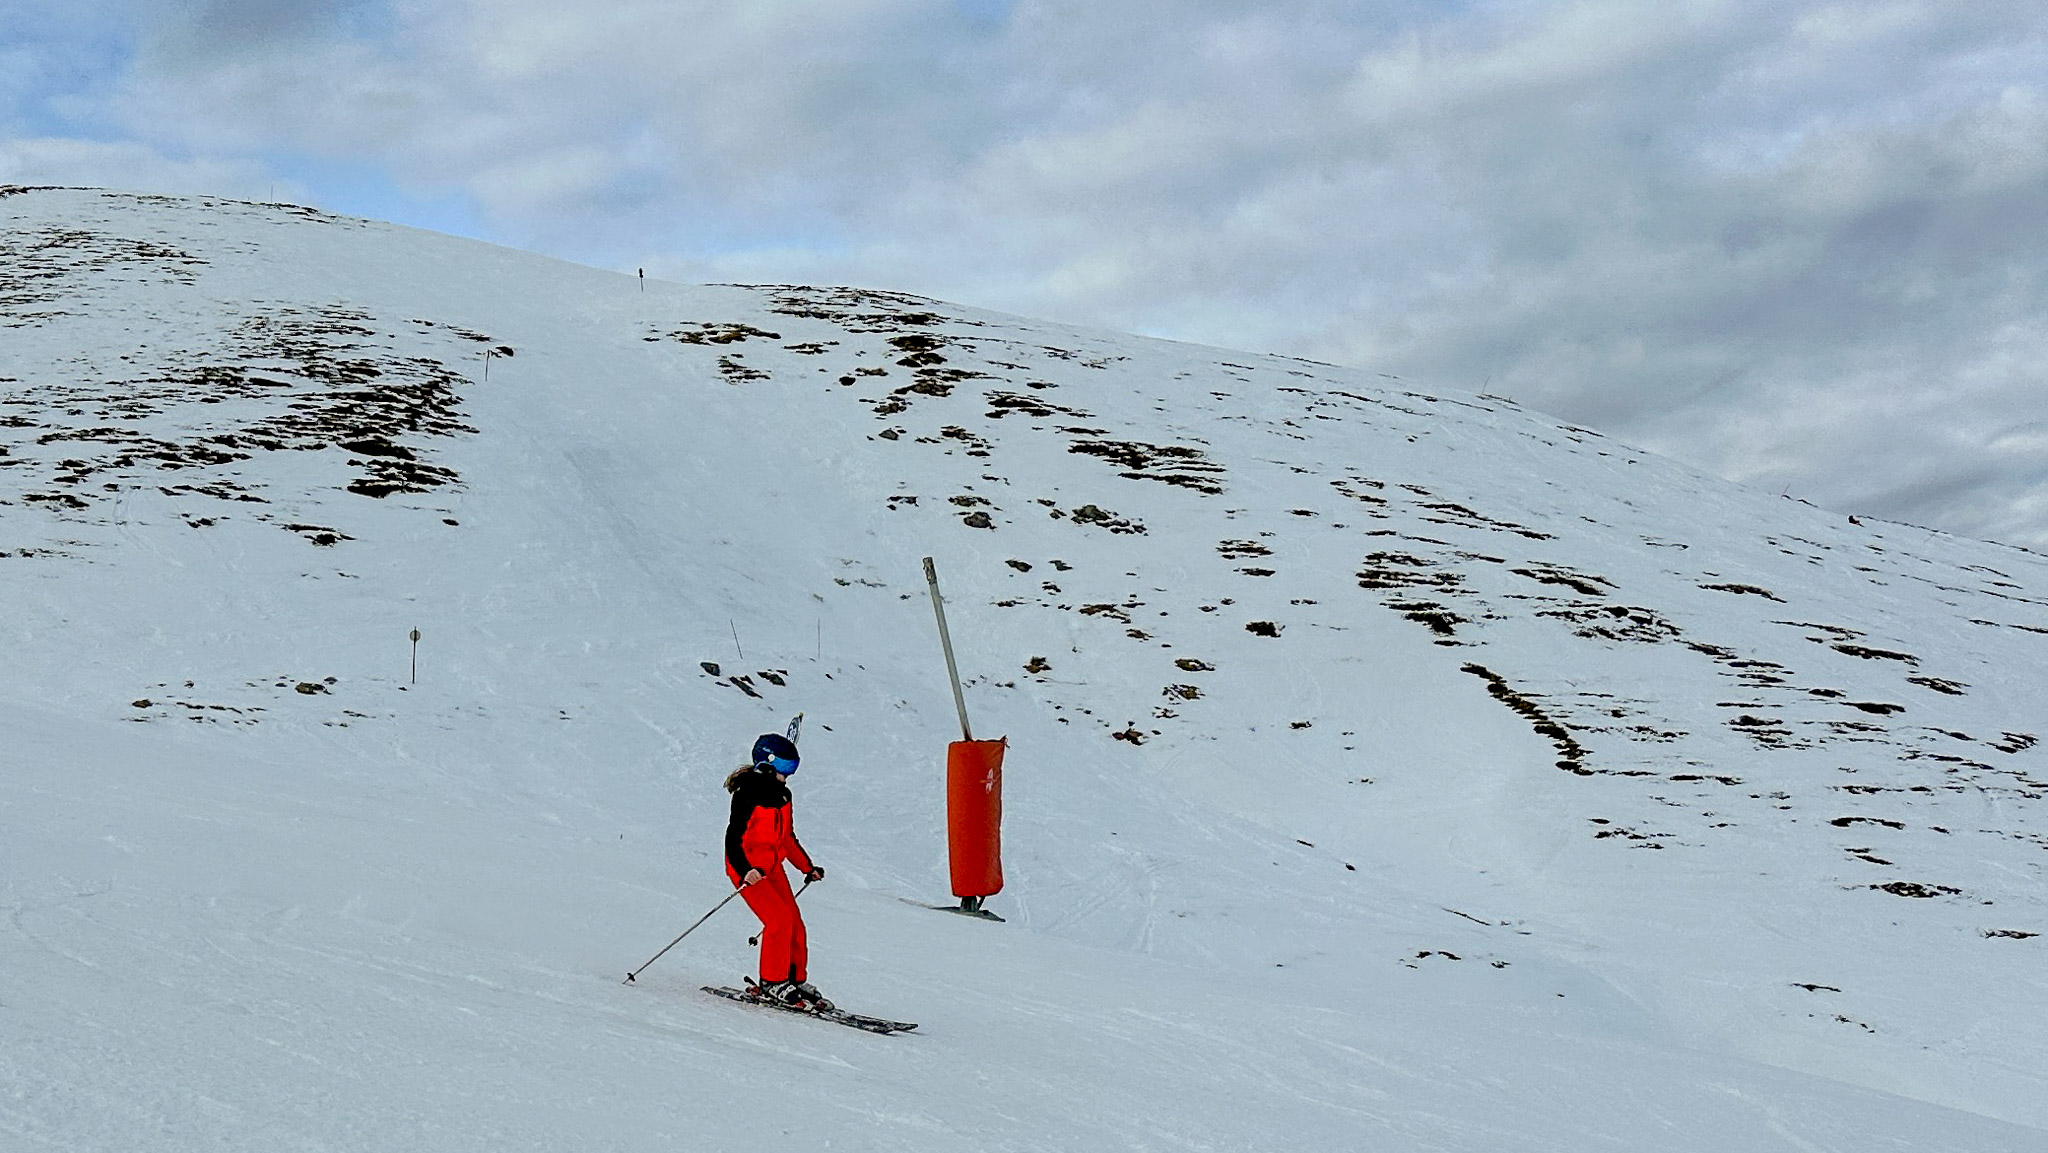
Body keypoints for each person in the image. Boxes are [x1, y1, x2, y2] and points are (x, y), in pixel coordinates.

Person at [724, 733, 830, 1009]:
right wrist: (745, 870)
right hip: (748, 869)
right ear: (767, 765)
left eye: (792, 769)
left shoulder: (783, 795)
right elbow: (733, 839)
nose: (788, 776)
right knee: (778, 921)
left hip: (773, 868)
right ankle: (772, 981)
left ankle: (794, 979)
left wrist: (807, 867)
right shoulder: (747, 793)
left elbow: (786, 839)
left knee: (794, 922)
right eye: (784, 769)